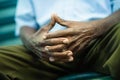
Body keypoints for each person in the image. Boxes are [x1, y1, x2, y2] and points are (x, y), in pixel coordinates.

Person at [0, 0, 120, 80]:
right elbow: (25, 24)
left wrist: (95, 29)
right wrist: (32, 42)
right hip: (48, 51)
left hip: (103, 39)